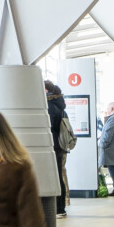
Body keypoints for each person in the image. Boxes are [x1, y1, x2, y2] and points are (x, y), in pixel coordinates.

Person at [43, 81, 70, 217]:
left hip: (52, 146)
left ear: (46, 90)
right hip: (59, 146)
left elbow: (49, 127)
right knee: (58, 175)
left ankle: (58, 208)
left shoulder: (49, 106)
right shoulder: (59, 105)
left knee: (55, 176)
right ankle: (61, 207)